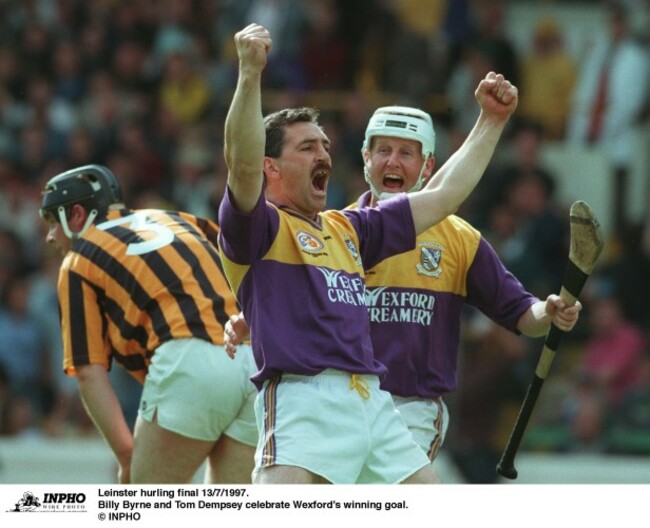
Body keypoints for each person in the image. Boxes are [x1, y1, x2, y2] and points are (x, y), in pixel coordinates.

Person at [217, 23, 518, 484]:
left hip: (371, 400)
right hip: (304, 398)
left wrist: (492, 122)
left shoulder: (349, 228)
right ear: (270, 167)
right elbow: (240, 163)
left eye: (324, 145)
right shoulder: (258, 227)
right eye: (306, 147)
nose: (323, 154)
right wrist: (250, 71)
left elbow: (443, 196)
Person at [38, 163, 257, 483]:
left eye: (52, 221)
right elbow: (245, 260)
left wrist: (127, 457)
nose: (49, 236)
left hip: (189, 362)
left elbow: (88, 372)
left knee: (145, 508)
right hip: (254, 360)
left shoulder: (78, 259)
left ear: (77, 215)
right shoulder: (183, 218)